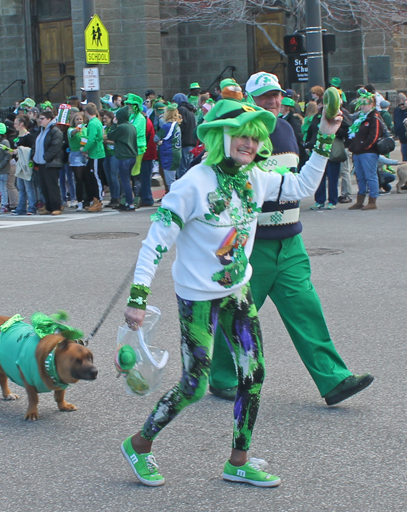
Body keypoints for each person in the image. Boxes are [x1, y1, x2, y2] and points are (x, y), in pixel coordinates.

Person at [121, 96, 344, 488]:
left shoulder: (255, 175)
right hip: (196, 299)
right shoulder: (192, 184)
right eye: (241, 136)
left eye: (256, 138)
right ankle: (139, 444)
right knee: (194, 385)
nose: (250, 144)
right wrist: (138, 298)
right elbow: (155, 242)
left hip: (237, 292)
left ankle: (238, 461)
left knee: (253, 374)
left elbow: (303, 185)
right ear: (220, 136)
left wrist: (325, 135)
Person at [209, 72, 373, 406]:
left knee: (307, 309)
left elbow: (299, 181)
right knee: (236, 314)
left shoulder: (286, 128)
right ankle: (222, 376)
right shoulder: (236, 134)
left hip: (291, 241)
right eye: (264, 96)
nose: (272, 101)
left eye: (276, 95)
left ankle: (334, 379)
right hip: (252, 245)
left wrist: (326, 133)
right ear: (248, 100)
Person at [346, 91, 382, 210]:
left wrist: (364, 145)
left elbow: (374, 135)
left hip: (368, 152)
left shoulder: (374, 117)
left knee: (370, 176)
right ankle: (360, 200)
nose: (362, 106)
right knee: (360, 177)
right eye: (361, 104)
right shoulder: (360, 118)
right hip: (357, 152)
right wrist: (353, 145)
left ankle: (372, 200)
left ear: (372, 105)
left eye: (365, 104)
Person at [106, 106, 138, 211]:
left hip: (124, 156)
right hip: (132, 156)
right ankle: (129, 202)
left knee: (125, 181)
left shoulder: (121, 127)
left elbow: (110, 135)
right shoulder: (131, 126)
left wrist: (114, 124)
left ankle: (130, 203)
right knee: (127, 180)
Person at [32, 111, 64, 215]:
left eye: (42, 118)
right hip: (40, 162)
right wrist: (34, 156)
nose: (40, 121)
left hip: (50, 163)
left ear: (49, 119)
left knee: (52, 185)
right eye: (39, 119)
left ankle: (56, 206)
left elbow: (55, 147)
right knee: (44, 186)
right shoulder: (41, 130)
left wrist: (46, 157)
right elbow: (35, 144)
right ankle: (48, 206)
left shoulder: (55, 131)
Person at [81, 103, 106, 212]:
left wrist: (84, 148)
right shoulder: (97, 122)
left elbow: (91, 139)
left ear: (86, 112)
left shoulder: (92, 124)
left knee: (96, 177)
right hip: (97, 152)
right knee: (93, 176)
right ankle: (95, 199)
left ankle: (98, 200)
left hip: (96, 153)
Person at [11, 115, 36, 215]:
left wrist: (19, 150)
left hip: (26, 163)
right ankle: (21, 208)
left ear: (22, 123)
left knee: (28, 187)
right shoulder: (17, 136)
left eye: (16, 123)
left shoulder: (29, 136)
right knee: (21, 187)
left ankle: (32, 207)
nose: (14, 125)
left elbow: (31, 150)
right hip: (18, 163)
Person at [154, 103, 182, 189]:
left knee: (170, 182)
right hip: (176, 152)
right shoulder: (176, 124)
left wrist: (159, 141)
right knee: (174, 180)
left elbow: (155, 138)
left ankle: (174, 201)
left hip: (169, 155)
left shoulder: (166, 126)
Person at [67, 112, 88, 211]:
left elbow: (86, 140)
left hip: (86, 154)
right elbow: (73, 133)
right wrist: (78, 128)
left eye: (80, 119)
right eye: (77, 119)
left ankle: (87, 200)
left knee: (87, 179)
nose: (79, 121)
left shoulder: (86, 130)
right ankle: (79, 201)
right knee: (79, 179)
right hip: (75, 155)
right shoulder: (71, 129)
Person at [173, 93, 197, 179]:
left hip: (184, 143)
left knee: (182, 170)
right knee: (189, 168)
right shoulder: (190, 111)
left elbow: (181, 126)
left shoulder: (181, 110)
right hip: (192, 143)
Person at [101, 110, 120, 208]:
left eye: (106, 118)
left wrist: (106, 141)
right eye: (103, 118)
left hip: (114, 154)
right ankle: (112, 198)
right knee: (108, 177)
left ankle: (116, 197)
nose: (104, 120)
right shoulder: (104, 128)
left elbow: (117, 142)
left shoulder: (115, 129)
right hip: (106, 154)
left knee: (113, 176)